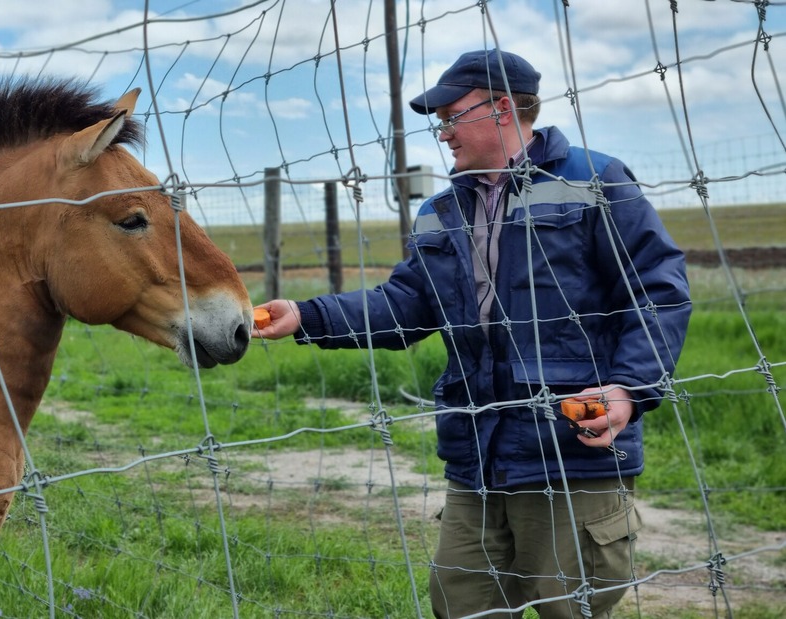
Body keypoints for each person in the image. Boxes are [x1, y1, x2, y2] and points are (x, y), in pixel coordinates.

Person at [254, 49, 691, 618]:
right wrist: (307, 316)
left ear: (503, 109)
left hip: (567, 448)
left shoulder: (596, 181)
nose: (442, 135)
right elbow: (408, 303)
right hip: (476, 453)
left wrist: (628, 389)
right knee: (461, 605)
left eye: (451, 117)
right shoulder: (440, 210)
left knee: (571, 608)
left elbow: (657, 291)